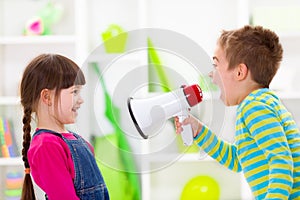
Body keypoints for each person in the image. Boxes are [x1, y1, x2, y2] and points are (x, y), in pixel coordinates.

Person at [175, 25, 300, 199]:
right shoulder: (260, 104)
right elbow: (237, 159)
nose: (211, 74)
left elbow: (281, 162)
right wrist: (199, 131)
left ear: (240, 72)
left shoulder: (254, 107)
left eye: (216, 65)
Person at [20, 54, 109, 200]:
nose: (81, 100)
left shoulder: (73, 138)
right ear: (47, 97)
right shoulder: (46, 146)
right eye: (74, 92)